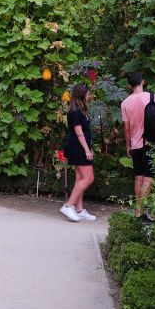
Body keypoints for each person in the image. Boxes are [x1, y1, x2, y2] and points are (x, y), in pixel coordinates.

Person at [121, 72, 155, 222]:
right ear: (143, 82)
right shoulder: (153, 97)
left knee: (138, 176)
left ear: (129, 85)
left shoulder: (125, 103)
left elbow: (126, 128)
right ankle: (140, 208)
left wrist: (128, 145)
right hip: (151, 142)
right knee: (149, 177)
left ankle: (137, 211)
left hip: (136, 144)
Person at [60, 83, 97, 222]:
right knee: (88, 178)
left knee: (80, 179)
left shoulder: (80, 110)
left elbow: (85, 132)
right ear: (82, 95)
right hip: (78, 148)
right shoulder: (75, 111)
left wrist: (89, 147)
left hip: (81, 146)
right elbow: (78, 131)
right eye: (87, 93)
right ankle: (68, 206)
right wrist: (86, 149)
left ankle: (79, 210)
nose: (89, 95)